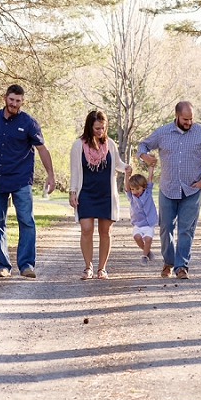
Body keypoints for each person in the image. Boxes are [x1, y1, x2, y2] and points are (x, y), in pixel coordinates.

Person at [0, 84, 56, 279]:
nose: (14, 104)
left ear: (22, 102)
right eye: (11, 99)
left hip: (20, 178)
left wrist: (50, 175)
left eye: (18, 101)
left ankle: (26, 265)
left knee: (26, 221)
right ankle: (3, 266)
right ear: (5, 98)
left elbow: (42, 149)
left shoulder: (29, 123)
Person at [137, 101, 201, 280]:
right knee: (165, 228)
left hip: (192, 189)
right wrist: (145, 157)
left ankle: (182, 266)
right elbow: (142, 146)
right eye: (185, 119)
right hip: (168, 188)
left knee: (186, 229)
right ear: (177, 116)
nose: (189, 123)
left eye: (191, 119)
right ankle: (168, 262)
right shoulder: (162, 132)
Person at [69, 110, 131, 280]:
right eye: (97, 128)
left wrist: (126, 167)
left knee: (106, 231)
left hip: (106, 194)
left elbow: (117, 163)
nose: (100, 131)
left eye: (103, 128)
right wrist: (72, 191)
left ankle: (102, 269)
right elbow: (74, 170)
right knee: (86, 229)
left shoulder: (110, 144)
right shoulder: (78, 145)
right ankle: (88, 267)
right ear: (89, 127)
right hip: (86, 193)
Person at [125, 163, 158, 267]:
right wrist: (126, 175)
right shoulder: (131, 197)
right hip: (138, 225)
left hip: (148, 224)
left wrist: (151, 167)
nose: (135, 192)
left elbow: (150, 178)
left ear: (143, 187)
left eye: (137, 189)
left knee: (148, 239)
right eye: (133, 189)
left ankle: (144, 256)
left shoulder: (148, 192)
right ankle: (147, 252)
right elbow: (126, 187)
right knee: (137, 237)